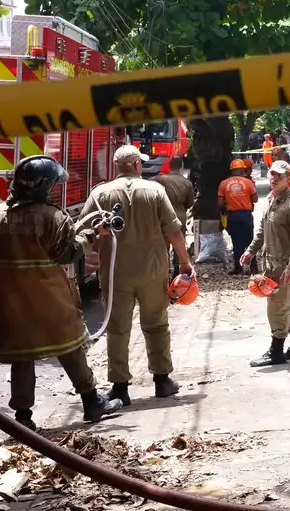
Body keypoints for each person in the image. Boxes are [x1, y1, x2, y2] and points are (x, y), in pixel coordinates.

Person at [0, 156, 123, 431]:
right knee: (70, 348)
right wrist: (90, 235)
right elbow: (67, 253)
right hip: (52, 298)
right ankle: (92, 403)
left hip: (13, 300)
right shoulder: (54, 216)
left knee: (22, 355)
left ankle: (23, 419)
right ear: (42, 186)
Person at [91, 145, 194, 404]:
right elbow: (173, 231)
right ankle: (162, 381)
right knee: (157, 324)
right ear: (137, 164)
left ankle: (120, 388)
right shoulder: (155, 191)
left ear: (117, 167)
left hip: (116, 274)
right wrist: (185, 262)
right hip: (152, 271)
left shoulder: (99, 193)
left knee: (117, 329)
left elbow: (88, 233)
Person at [242, 160, 290, 366]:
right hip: (269, 263)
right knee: (282, 304)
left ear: (288, 179)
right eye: (271, 175)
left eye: (278, 176)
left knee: (276, 307)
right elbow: (262, 232)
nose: (273, 179)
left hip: (283, 266)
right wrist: (250, 251)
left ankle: (276, 351)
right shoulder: (270, 200)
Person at [153, 156, 194, 276]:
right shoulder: (187, 183)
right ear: (181, 167)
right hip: (180, 217)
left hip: (162, 217)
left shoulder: (160, 180)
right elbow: (190, 203)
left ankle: (163, 271)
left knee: (163, 244)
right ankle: (177, 271)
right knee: (179, 243)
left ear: (169, 166)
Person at [219, 158, 258, 275]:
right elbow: (255, 199)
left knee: (236, 242)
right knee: (250, 241)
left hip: (233, 216)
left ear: (232, 170)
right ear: (242, 169)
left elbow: (220, 202)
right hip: (246, 215)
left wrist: (229, 203)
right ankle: (253, 268)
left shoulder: (224, 183)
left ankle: (238, 268)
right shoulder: (249, 182)